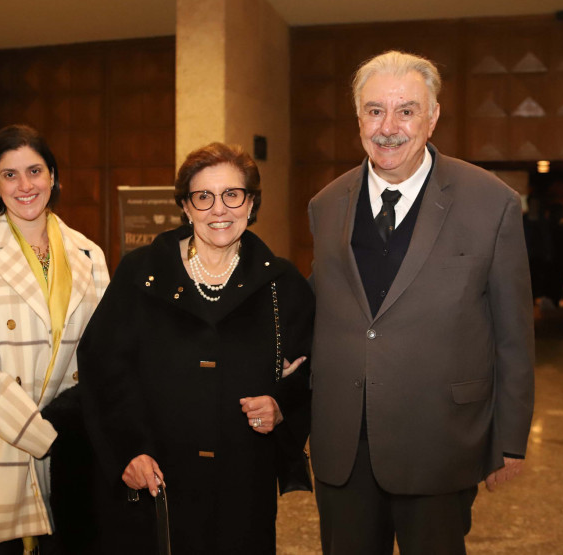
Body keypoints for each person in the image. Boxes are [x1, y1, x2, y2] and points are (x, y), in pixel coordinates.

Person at [307, 51, 535, 554]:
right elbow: (321, 310)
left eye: (406, 111)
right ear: (358, 118)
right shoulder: (326, 205)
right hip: (344, 443)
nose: (388, 127)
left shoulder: (489, 202)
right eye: (374, 111)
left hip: (440, 440)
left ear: (432, 117)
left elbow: (513, 333)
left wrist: (511, 439)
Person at [78, 142, 314, 554]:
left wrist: (279, 407)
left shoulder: (282, 284)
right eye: (203, 197)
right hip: (160, 481)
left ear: (251, 203)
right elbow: (103, 368)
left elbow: (313, 371)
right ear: (185, 207)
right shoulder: (142, 274)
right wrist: (128, 451)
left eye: (232, 195)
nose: (218, 209)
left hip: (244, 488)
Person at [0, 125, 109, 554]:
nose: (25, 185)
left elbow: (105, 350)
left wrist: (69, 429)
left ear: (53, 176)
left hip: (71, 444)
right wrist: (40, 433)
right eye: (9, 175)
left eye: (35, 170)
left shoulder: (88, 254)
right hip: (3, 436)